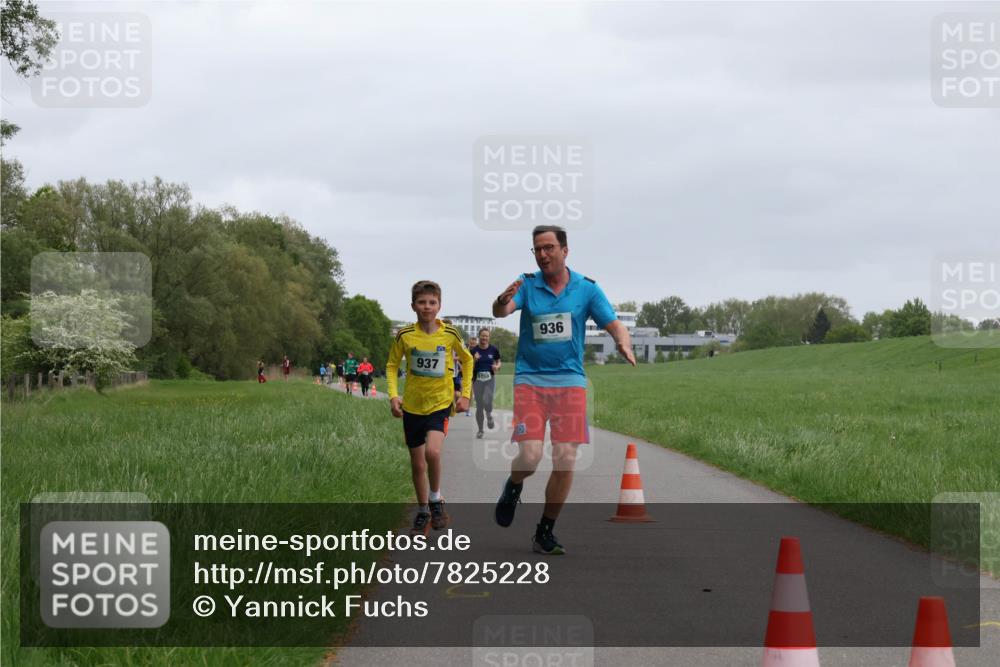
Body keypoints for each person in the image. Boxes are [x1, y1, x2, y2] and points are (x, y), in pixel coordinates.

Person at [492, 225, 636, 555]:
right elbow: (502, 310)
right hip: (530, 381)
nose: (542, 255)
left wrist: (623, 342)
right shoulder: (527, 284)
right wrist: (500, 301)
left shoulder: (586, 289)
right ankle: (513, 486)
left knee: (565, 460)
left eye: (548, 248)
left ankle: (545, 530)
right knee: (529, 457)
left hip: (570, 382)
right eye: (537, 249)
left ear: (564, 250)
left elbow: (614, 324)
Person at [387, 280, 473, 536]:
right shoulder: (405, 335)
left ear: (439, 305)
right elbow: (392, 366)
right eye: (422, 302)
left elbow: (467, 362)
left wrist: (465, 394)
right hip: (412, 406)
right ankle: (423, 511)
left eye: (432, 302)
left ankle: (436, 500)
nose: (427, 307)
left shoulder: (449, 333)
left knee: (433, 453)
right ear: (413, 305)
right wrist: (393, 396)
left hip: (439, 404)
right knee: (417, 465)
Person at [471, 327, 501, 438]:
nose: (484, 338)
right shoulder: (473, 351)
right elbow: (468, 366)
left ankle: (489, 415)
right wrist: (474, 360)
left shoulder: (493, 349)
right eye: (483, 335)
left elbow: (498, 361)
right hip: (477, 380)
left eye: (486, 336)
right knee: (479, 405)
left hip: (490, 379)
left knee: (487, 400)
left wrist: (497, 366)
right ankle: (480, 430)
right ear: (479, 336)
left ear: (489, 337)